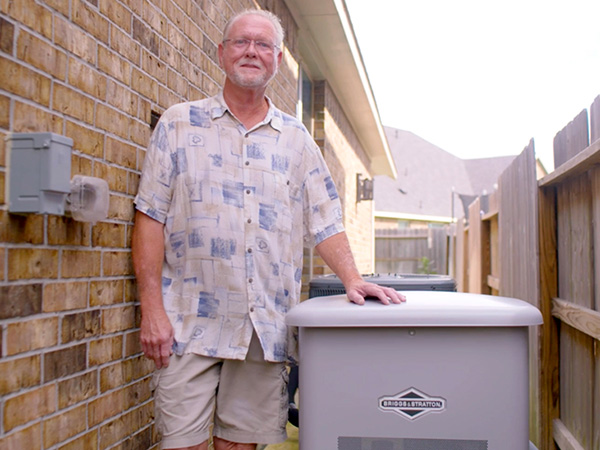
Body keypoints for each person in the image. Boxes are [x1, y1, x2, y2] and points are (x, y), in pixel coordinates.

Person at [131, 8, 406, 450]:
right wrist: (152, 309)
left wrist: (353, 279)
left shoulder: (296, 140)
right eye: (241, 41)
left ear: (277, 59)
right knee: (181, 444)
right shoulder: (179, 124)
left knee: (240, 447)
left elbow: (326, 220)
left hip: (263, 328)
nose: (251, 52)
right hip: (188, 322)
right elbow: (149, 217)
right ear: (222, 53)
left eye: (263, 45)